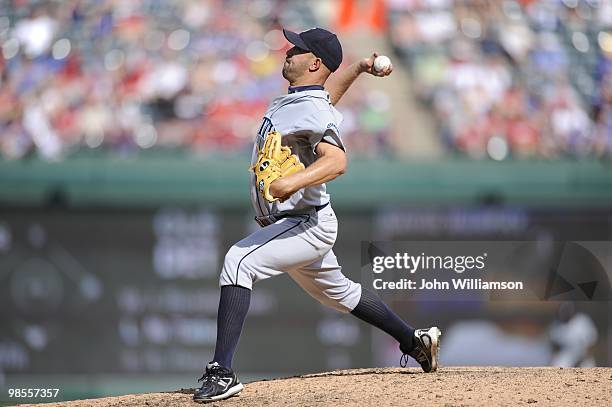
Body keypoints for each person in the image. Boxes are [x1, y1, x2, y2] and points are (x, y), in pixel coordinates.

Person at [194, 27, 441, 403]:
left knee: (237, 261)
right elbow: (326, 101)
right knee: (341, 294)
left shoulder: (308, 107)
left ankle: (221, 373)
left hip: (304, 222)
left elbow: (337, 161)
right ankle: (415, 340)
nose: (288, 51)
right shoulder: (306, 101)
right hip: (299, 223)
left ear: (313, 62)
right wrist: (358, 67)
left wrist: (290, 184)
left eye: (298, 48)